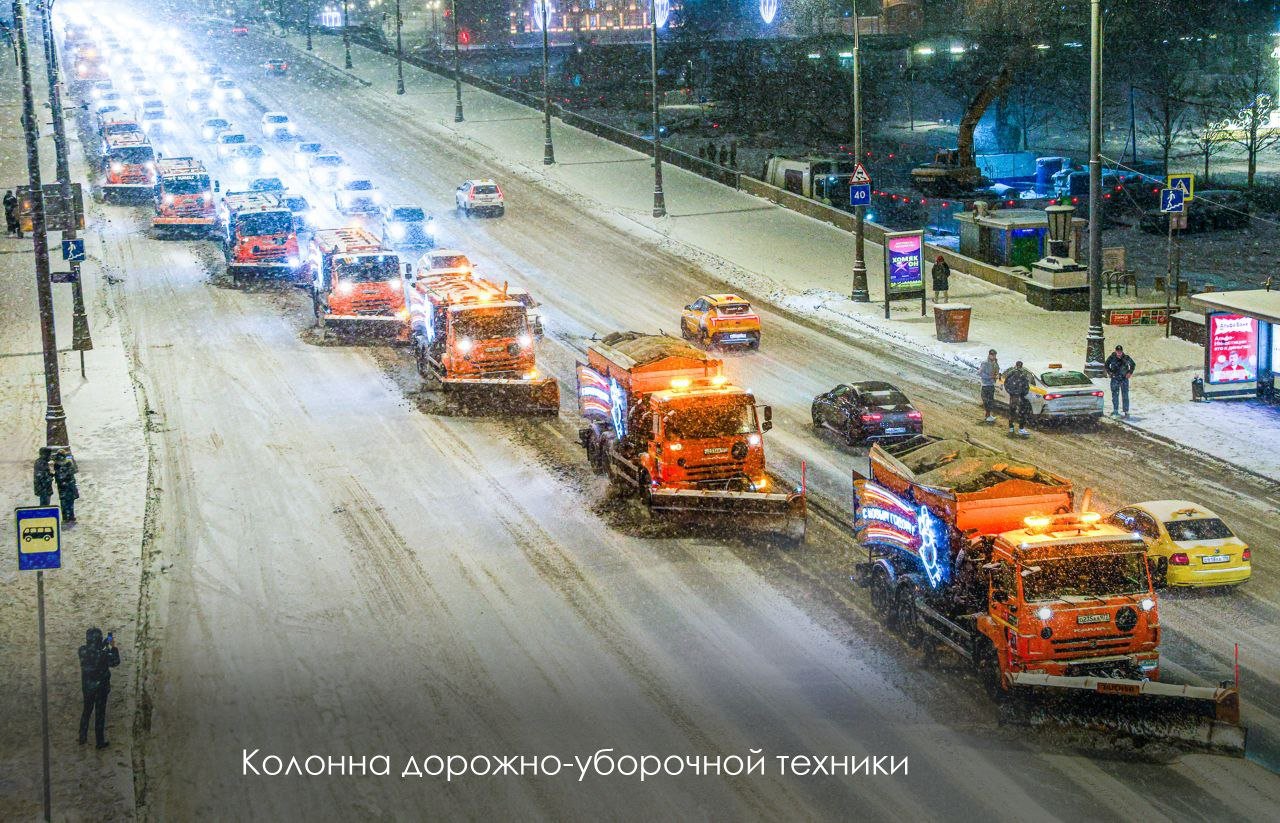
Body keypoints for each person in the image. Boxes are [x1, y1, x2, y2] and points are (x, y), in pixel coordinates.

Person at [78, 627, 120, 749]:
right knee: (100, 714)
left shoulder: (82, 650)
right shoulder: (105, 653)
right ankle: (99, 742)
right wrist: (113, 647)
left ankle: (82, 737)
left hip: (87, 687)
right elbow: (115, 662)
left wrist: (103, 645)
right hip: (101, 688)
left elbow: (93, 652)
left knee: (86, 711)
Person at [1105, 344, 1136, 417]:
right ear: (1115, 351)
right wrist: (1110, 373)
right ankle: (1115, 410)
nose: (1119, 352)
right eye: (1118, 351)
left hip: (1124, 378)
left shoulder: (1126, 357)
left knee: (1125, 395)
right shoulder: (1112, 357)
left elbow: (1133, 365)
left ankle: (1126, 411)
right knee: (1115, 395)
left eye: (1120, 351)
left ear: (1122, 351)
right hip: (1115, 378)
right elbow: (1106, 365)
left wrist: (1129, 373)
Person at [1003, 361, 1033, 436]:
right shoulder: (1023, 374)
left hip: (1013, 396)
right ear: (1021, 366)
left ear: (1015, 365)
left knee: (1012, 411)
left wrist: (1010, 392)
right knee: (1022, 412)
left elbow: (1006, 383)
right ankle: (1021, 429)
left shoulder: (1011, 372)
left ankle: (1011, 428)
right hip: (1020, 396)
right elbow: (1026, 385)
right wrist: (1023, 393)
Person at [53, 449, 79, 524]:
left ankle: (65, 517)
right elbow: (74, 471)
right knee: (70, 501)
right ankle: (71, 516)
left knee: (63, 502)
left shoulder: (56, 464)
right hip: (70, 485)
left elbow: (58, 475)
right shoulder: (68, 462)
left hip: (61, 486)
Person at [978, 349, 1000, 424]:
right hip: (986, 385)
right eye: (992, 355)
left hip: (991, 385)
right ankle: (987, 416)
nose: (993, 356)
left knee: (990, 401)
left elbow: (997, 372)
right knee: (987, 401)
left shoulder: (994, 363)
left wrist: (996, 375)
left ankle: (988, 415)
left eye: (994, 355)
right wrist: (989, 377)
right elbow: (980, 373)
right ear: (989, 355)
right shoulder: (985, 363)